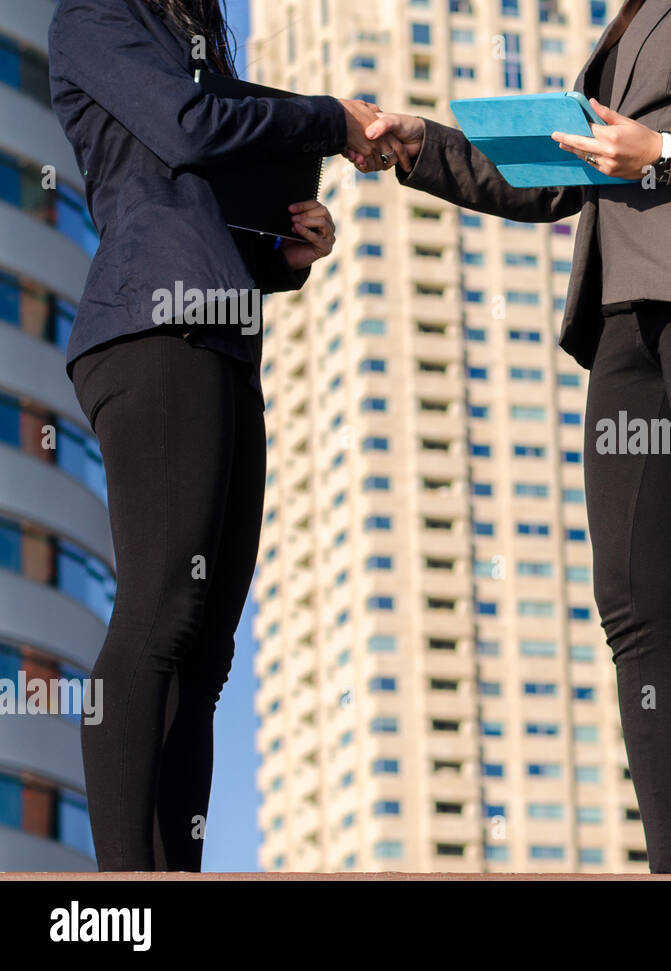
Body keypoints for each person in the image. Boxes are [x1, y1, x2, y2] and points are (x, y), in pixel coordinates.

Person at [357, 0, 671, 872]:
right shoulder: (630, 20)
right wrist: (420, 143)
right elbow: (558, 178)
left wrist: (665, 153)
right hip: (622, 316)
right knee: (632, 604)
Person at [46, 0, 404, 871]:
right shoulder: (91, 15)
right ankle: (124, 894)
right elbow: (190, 128)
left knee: (206, 648)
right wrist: (330, 117)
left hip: (220, 335)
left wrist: (279, 257)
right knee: (160, 615)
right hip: (148, 336)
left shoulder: (189, 34)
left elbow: (198, 191)